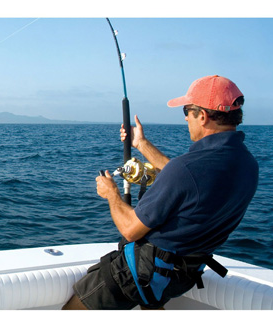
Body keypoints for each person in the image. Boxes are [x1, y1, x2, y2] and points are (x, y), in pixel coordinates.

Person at [63, 75, 259, 310]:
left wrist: (111, 193)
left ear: (203, 116)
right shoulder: (247, 164)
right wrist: (141, 144)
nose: (186, 118)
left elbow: (131, 229)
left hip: (143, 273)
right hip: (181, 277)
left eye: (187, 111)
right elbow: (188, 180)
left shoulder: (187, 168)